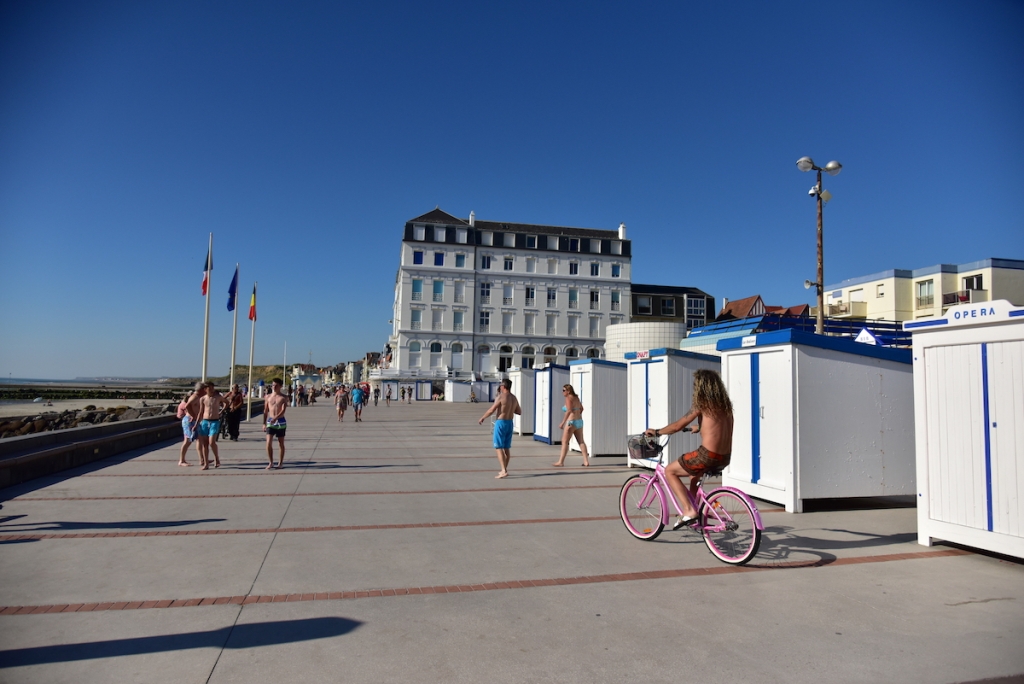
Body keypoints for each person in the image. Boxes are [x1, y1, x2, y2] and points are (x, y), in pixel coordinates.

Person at [644, 369, 734, 529]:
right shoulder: (726, 408)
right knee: (695, 477)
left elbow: (677, 426)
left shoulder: (702, 405)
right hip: (724, 457)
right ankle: (696, 513)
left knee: (669, 471)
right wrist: (698, 427)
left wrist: (657, 432)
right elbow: (716, 427)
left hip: (707, 455)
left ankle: (689, 510)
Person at [478, 378, 521, 479]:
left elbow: (492, 410)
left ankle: (503, 470)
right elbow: (519, 411)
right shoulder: (514, 398)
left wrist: (483, 417)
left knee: (498, 447)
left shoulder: (501, 397)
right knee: (506, 448)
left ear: (503, 386)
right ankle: (504, 469)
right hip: (510, 423)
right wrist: (509, 408)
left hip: (501, 422)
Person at [552, 384, 590, 467]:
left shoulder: (568, 398)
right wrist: (577, 414)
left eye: (564, 390)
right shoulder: (576, 398)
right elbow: (581, 408)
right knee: (581, 441)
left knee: (564, 442)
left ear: (568, 391)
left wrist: (562, 422)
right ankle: (586, 461)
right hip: (579, 421)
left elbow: (569, 410)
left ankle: (561, 462)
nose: (563, 392)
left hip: (571, 422)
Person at [197, 383, 225, 470]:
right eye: (210, 388)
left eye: (213, 388)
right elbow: (201, 412)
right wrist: (196, 424)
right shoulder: (203, 399)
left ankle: (216, 458)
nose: (212, 390)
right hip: (205, 421)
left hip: (214, 421)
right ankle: (206, 464)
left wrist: (221, 411)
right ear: (205, 389)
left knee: (212, 442)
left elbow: (226, 402)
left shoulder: (218, 397)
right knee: (205, 444)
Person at [177, 382, 204, 466]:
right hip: (189, 420)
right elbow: (187, 406)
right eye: (205, 389)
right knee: (187, 440)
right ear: (201, 390)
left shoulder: (199, 397)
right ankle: (181, 460)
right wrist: (193, 415)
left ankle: (202, 459)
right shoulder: (195, 396)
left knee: (199, 439)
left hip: (195, 421)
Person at [265, 378, 288, 469]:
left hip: (281, 422)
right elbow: (265, 410)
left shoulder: (284, 397)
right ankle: (271, 462)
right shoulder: (268, 397)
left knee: (281, 443)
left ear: (280, 386)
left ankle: (280, 463)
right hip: (270, 421)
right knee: (268, 442)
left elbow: (283, 410)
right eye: (273, 385)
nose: (274, 387)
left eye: (276, 385)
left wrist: (276, 417)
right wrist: (264, 423)